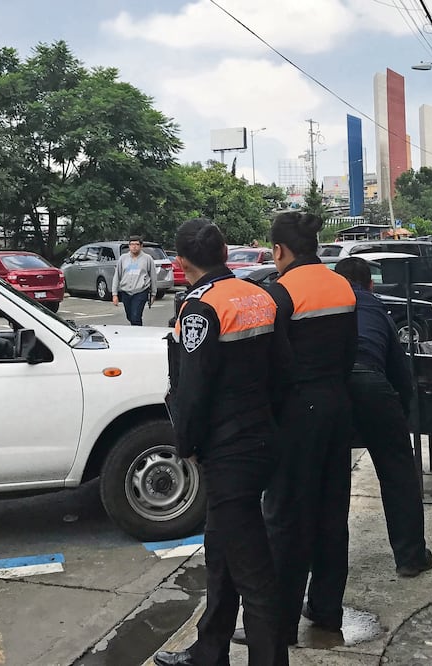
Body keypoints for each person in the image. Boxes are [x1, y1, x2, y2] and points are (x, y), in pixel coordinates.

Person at [155, 218, 289, 666]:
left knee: (254, 575)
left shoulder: (200, 308)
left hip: (229, 451)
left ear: (181, 261)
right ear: (225, 252)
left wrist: (184, 443)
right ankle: (210, 650)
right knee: (221, 549)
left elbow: (193, 388)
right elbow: (282, 371)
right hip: (263, 437)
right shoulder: (258, 294)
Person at [234, 211, 357, 646]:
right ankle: (326, 610)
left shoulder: (280, 294)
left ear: (280, 251)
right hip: (337, 407)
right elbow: (349, 354)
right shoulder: (342, 285)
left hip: (295, 414)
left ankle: (277, 625)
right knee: (330, 512)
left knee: (284, 517)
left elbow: (270, 366)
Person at [333, 257, 432, 577]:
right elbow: (399, 370)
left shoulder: (326, 304)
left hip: (330, 393)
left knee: (329, 481)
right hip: (374, 386)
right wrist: (401, 414)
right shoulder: (376, 308)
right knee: (398, 474)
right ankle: (410, 558)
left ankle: (324, 570)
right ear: (371, 285)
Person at [112, 235, 157, 326]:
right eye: (132, 244)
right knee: (130, 316)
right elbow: (117, 275)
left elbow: (153, 276)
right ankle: (136, 330)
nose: (134, 246)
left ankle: (137, 335)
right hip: (126, 292)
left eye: (136, 244)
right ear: (129, 246)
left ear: (141, 246)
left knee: (136, 316)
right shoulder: (123, 258)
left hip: (140, 291)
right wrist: (114, 294)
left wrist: (153, 294)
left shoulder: (147, 259)